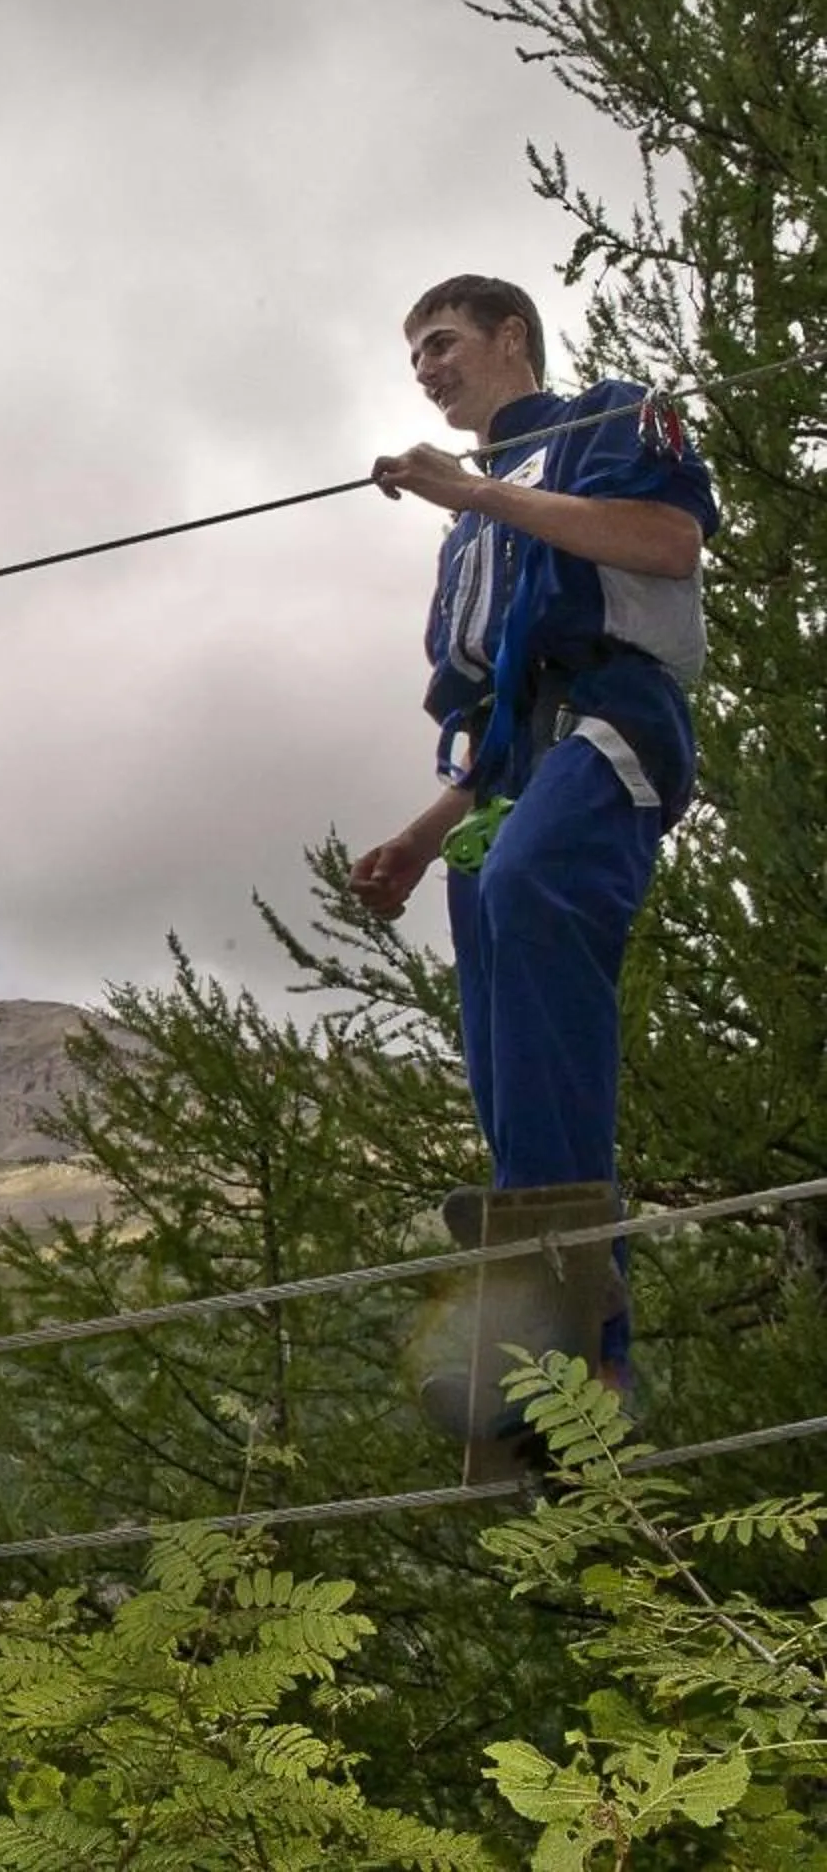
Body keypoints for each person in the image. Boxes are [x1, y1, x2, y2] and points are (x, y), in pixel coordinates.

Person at [347, 274, 716, 1449]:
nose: (428, 369)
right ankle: (548, 1313)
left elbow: (668, 540)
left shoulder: (608, 419)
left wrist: (479, 491)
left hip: (616, 713)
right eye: (414, 357)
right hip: (511, 762)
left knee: (533, 887)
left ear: (513, 337)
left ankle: (578, 1288)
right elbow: (499, 703)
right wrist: (421, 828)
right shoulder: (470, 533)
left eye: (443, 342)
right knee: (497, 996)